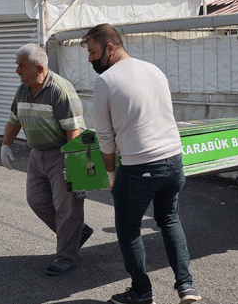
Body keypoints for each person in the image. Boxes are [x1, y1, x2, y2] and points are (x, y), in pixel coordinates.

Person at [82, 24, 201, 304]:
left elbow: (105, 138)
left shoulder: (106, 81)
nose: (90, 59)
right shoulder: (154, 70)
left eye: (92, 52)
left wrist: (110, 173)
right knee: (169, 220)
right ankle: (187, 286)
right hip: (173, 160)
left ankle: (141, 292)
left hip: (138, 167)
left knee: (128, 230)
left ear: (110, 48)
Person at [0, 43, 93, 275]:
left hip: (65, 152)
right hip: (37, 155)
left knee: (67, 209)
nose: (17, 71)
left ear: (39, 68)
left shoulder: (60, 90)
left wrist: (74, 163)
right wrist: (5, 145)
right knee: (37, 200)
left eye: (21, 66)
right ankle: (76, 234)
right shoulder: (23, 89)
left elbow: (74, 131)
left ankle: (66, 257)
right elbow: (14, 120)